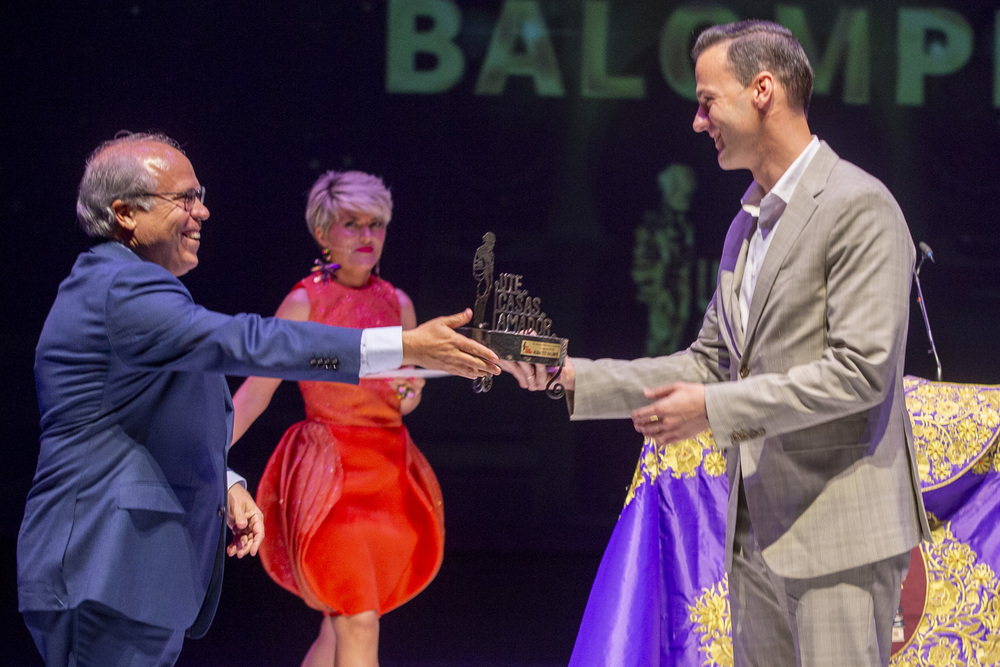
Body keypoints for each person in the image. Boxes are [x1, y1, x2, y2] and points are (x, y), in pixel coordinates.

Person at [506, 20, 930, 666]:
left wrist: (712, 409)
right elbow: (707, 362)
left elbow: (860, 374)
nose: (698, 122)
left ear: (763, 90)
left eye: (708, 101)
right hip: (756, 535)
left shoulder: (859, 207)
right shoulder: (746, 225)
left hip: (839, 536)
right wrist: (571, 375)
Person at [17, 132, 500, 667]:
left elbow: (150, 419)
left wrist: (223, 481)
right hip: (104, 564)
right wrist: (402, 345)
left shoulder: (137, 289)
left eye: (199, 193)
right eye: (184, 198)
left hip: (134, 573)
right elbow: (249, 343)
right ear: (126, 213)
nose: (202, 210)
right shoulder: (120, 288)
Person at [230, 169, 444, 666]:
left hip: (387, 474)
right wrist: (205, 451)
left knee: (340, 624)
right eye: (353, 224)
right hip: (332, 479)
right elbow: (256, 393)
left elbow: (406, 394)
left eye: (377, 224)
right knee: (357, 618)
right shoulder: (305, 301)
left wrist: (410, 386)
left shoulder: (398, 303)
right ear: (323, 233)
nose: (368, 236)